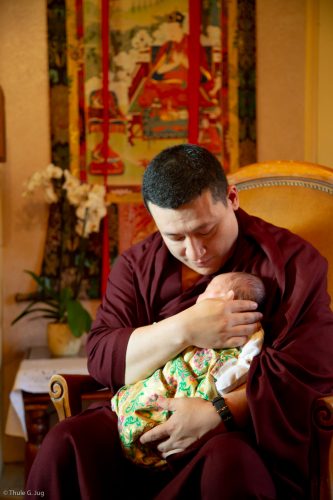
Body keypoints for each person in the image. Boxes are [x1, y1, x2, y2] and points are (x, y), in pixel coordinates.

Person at [26, 144, 333, 500]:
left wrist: (220, 412)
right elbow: (103, 356)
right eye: (175, 237)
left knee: (228, 462)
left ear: (231, 198)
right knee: (67, 442)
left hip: (235, 434)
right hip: (144, 423)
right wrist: (186, 326)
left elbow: (310, 368)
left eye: (206, 230)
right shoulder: (137, 267)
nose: (195, 251)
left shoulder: (290, 262)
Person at [112, 272, 265, 469]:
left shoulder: (250, 332)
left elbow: (248, 359)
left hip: (206, 389)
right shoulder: (187, 317)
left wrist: (230, 380)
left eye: (209, 292)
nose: (200, 297)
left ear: (228, 300)